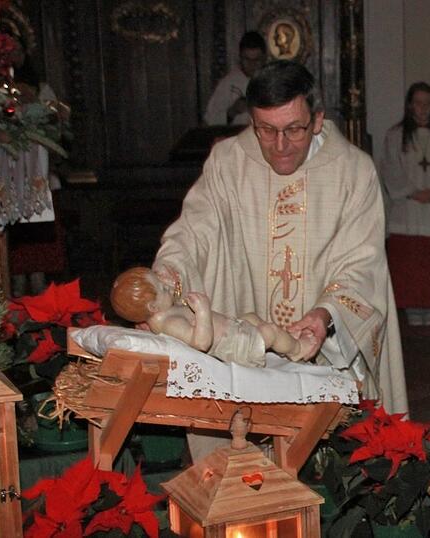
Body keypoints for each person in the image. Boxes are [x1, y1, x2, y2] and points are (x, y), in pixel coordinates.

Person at [155, 60, 407, 416]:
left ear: (317, 119)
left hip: (322, 353)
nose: (280, 145)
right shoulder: (228, 163)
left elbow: (362, 263)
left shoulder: (353, 171)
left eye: (294, 129)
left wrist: (325, 315)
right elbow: (194, 234)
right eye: (266, 130)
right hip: (242, 355)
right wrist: (165, 282)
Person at [377, 82, 430, 326]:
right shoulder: (395, 136)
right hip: (408, 210)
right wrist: (411, 192)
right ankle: (412, 309)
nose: (423, 108)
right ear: (409, 105)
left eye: (427, 103)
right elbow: (389, 168)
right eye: (418, 103)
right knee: (411, 266)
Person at [110, 267, 319, 367]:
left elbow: (171, 299)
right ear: (153, 307)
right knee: (270, 331)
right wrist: (202, 311)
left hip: (234, 331)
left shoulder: (162, 311)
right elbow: (200, 343)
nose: (167, 287)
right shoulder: (168, 323)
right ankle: (297, 349)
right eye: (163, 289)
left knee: (251, 316)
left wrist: (169, 285)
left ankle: (286, 341)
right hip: (234, 347)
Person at [204, 31, 266, 126]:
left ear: (264, 58)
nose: (252, 65)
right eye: (247, 59)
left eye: (256, 60)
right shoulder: (228, 83)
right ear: (240, 58)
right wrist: (232, 111)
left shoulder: (271, 81)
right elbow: (209, 120)